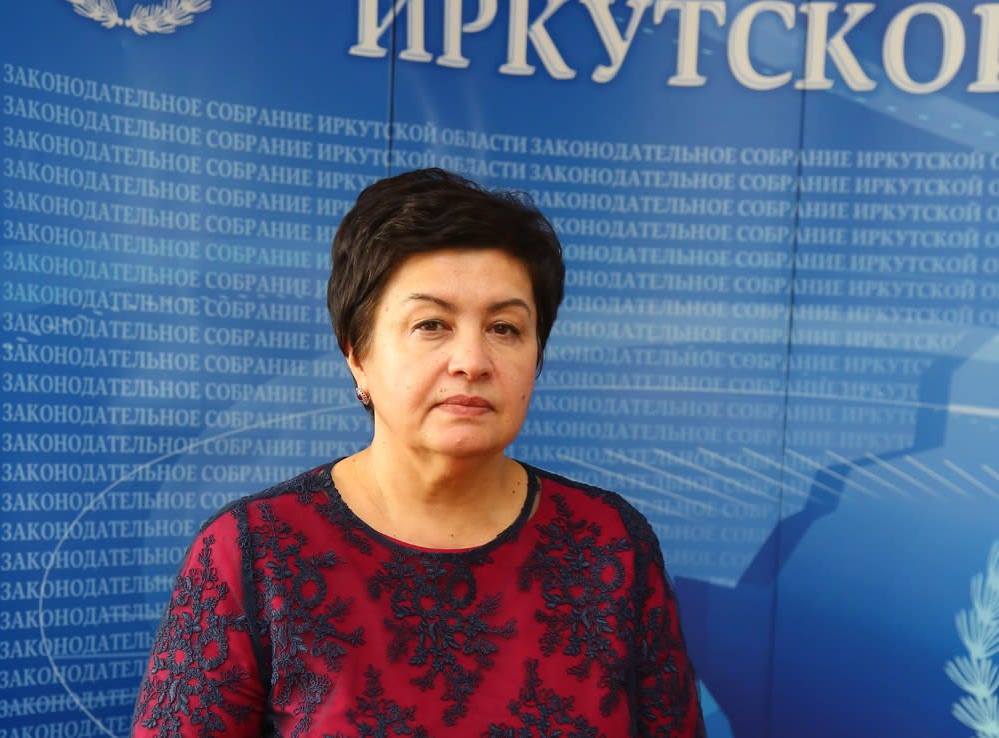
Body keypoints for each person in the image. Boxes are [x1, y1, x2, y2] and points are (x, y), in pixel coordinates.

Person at [130, 168, 705, 737]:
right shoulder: (256, 552)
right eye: (432, 324)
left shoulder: (610, 544)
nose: (472, 361)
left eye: (505, 328)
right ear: (357, 355)